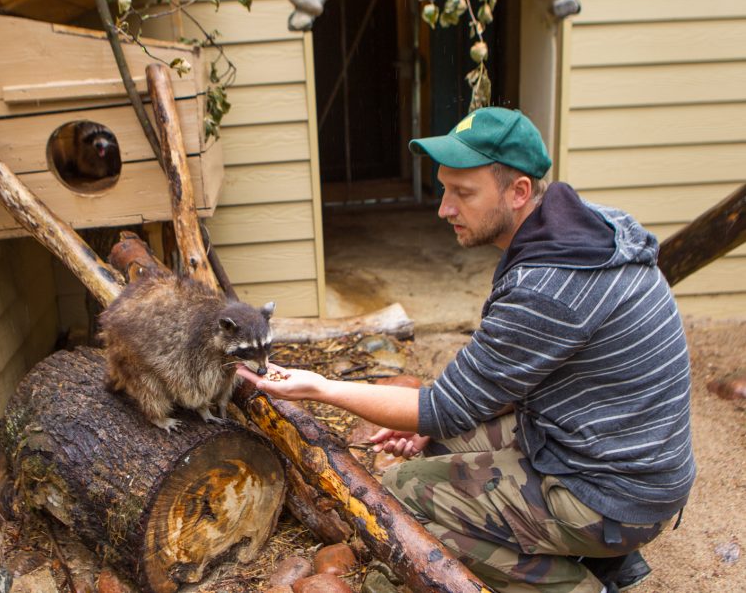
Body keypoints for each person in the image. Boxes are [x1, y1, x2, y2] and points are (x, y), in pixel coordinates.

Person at [238, 107, 694, 593]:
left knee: (400, 493)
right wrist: (435, 427)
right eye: (444, 189)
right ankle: (587, 554)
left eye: (463, 193)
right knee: (438, 441)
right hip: (624, 456)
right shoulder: (589, 228)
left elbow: (438, 407)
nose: (444, 208)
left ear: (519, 192)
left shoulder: (548, 286)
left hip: (612, 494)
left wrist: (322, 387)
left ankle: (581, 584)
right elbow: (484, 393)